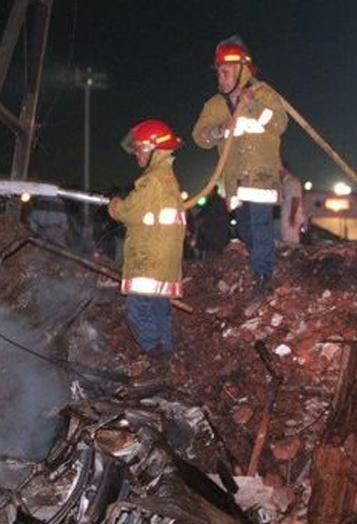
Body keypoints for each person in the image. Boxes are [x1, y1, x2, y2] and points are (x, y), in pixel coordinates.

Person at [192, 37, 288, 292]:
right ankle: (263, 262)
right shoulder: (214, 106)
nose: (220, 78)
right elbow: (199, 136)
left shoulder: (264, 94)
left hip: (261, 177)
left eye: (225, 73)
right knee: (246, 229)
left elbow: (279, 123)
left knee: (260, 225)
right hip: (235, 181)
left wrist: (253, 105)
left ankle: (263, 276)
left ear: (241, 71)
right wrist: (219, 130)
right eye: (219, 73)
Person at [108, 119, 187, 379]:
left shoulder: (151, 182)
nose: (137, 154)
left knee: (137, 310)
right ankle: (167, 354)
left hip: (148, 260)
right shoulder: (168, 179)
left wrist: (115, 206)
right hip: (164, 261)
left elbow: (129, 212)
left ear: (155, 149)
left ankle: (155, 354)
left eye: (141, 148)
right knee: (159, 308)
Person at [279, 162, 305, 244]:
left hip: (290, 217)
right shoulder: (285, 183)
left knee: (290, 240)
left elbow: (296, 199)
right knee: (287, 239)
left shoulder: (292, 182)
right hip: (288, 216)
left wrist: (292, 216)